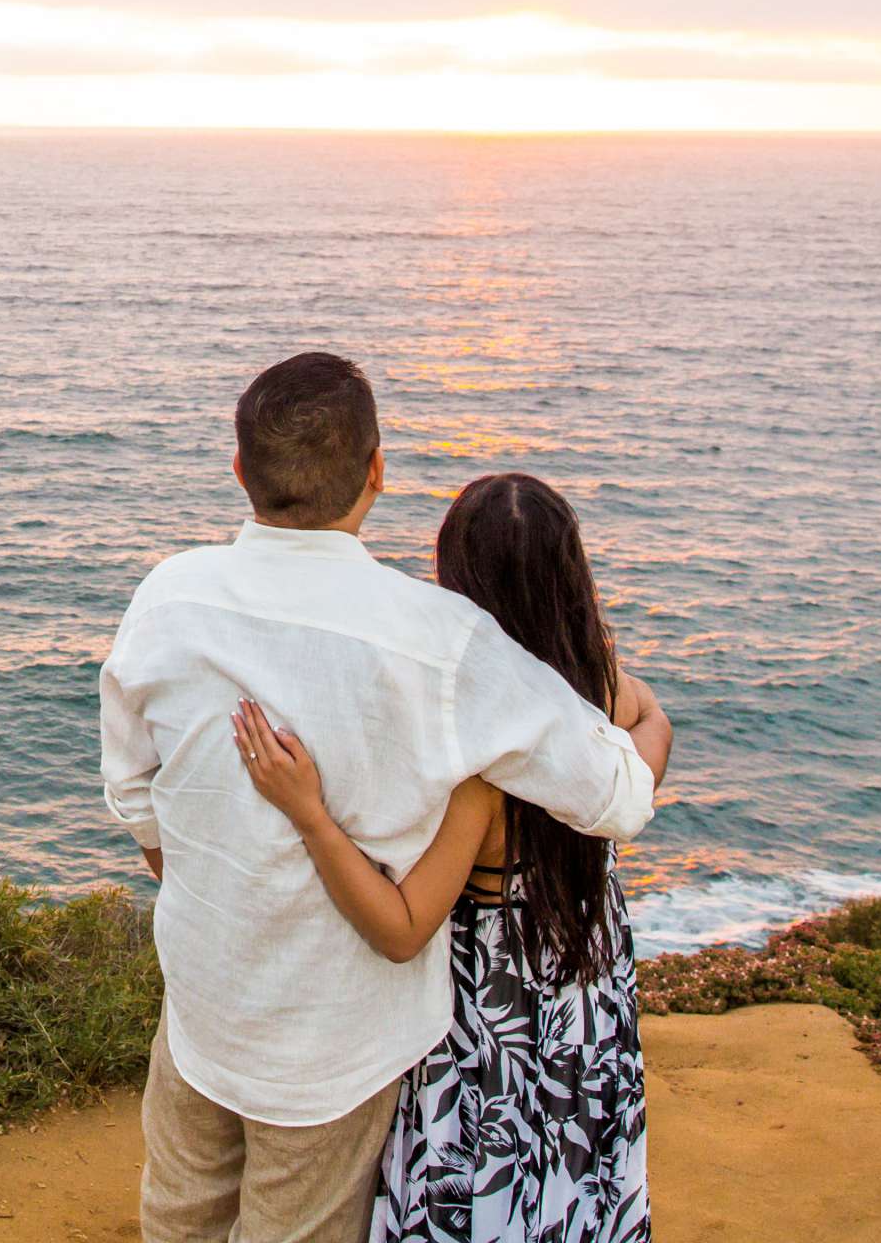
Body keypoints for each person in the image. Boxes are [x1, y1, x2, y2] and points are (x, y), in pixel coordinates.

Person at [100, 353, 673, 1243]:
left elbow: (137, 801)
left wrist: (232, 896)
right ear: (377, 470)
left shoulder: (165, 597)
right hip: (336, 1048)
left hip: (205, 1007)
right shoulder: (443, 645)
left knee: (177, 1221)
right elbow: (619, 798)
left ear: (240, 468)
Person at [234, 473, 667, 1242]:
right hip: (584, 979)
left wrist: (310, 816)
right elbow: (650, 732)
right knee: (574, 1161)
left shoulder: (480, 766)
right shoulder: (597, 690)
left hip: (490, 999)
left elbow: (401, 931)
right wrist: (642, 736)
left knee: (482, 1168)